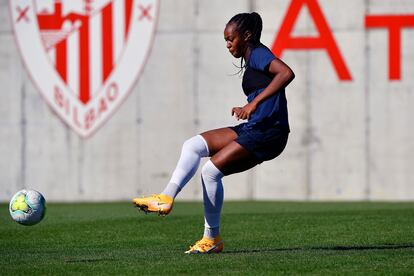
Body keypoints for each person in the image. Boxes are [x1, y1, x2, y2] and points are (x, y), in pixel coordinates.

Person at [133, 12, 295, 254]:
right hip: (256, 127)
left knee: (210, 172)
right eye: (225, 41)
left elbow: (286, 73)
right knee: (193, 145)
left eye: (231, 39)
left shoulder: (258, 53)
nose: (228, 45)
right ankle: (165, 198)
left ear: (247, 36)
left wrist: (252, 105)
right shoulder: (252, 57)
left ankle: (212, 239)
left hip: (269, 132)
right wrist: (250, 107)